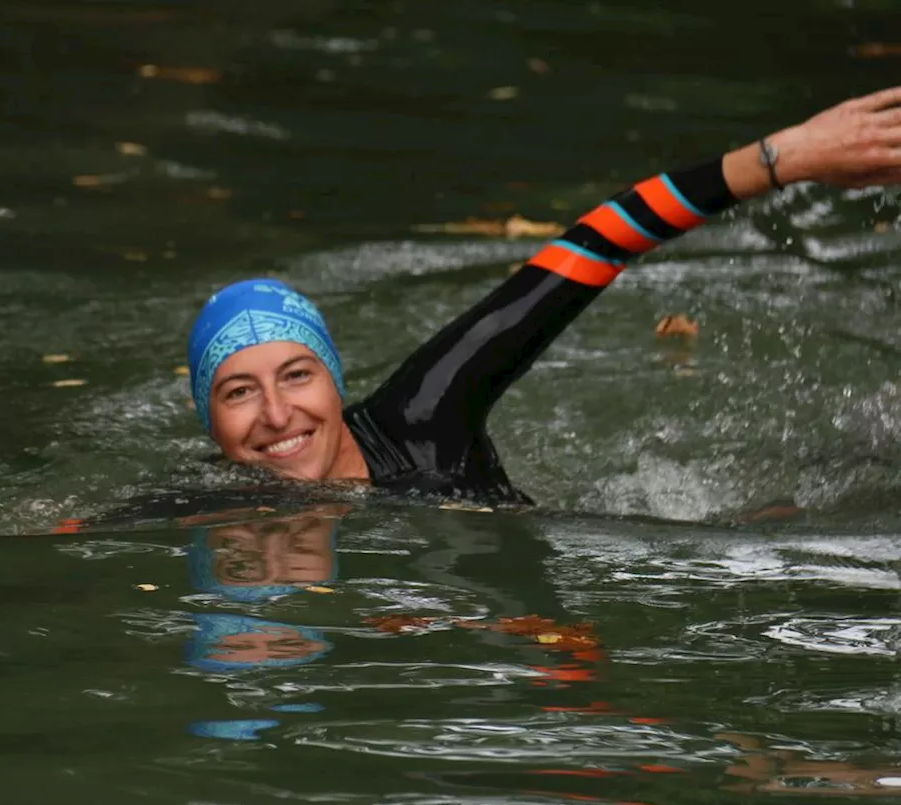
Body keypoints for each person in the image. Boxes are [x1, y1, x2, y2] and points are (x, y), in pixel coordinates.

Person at [189, 87, 901, 503]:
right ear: (210, 425)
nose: (278, 413)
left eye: (295, 375)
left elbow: (598, 243)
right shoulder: (208, 508)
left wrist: (783, 159)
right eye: (238, 392)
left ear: (333, 379)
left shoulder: (424, 415)